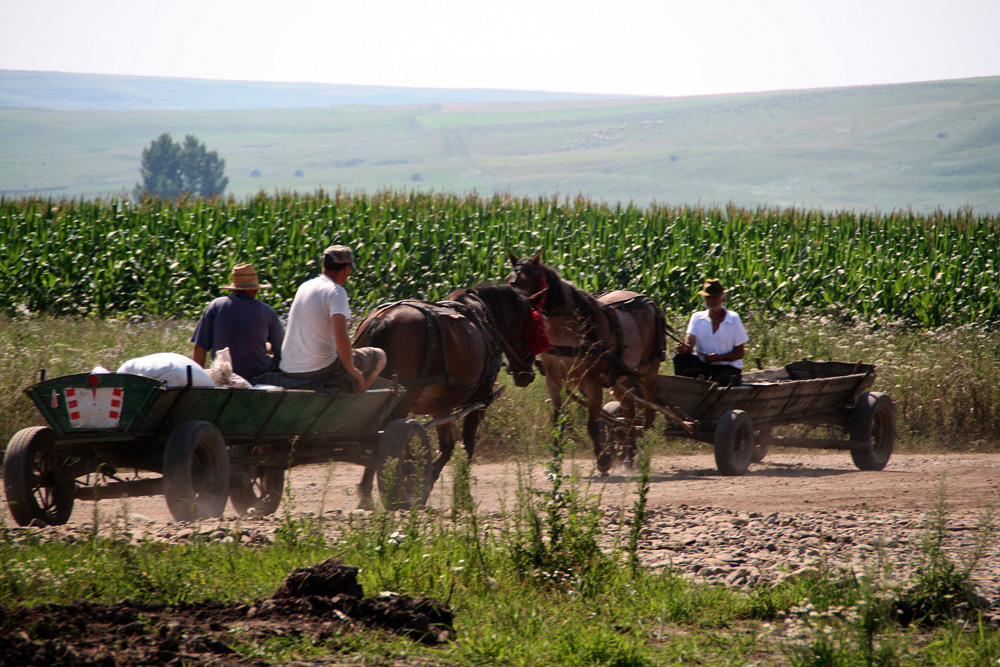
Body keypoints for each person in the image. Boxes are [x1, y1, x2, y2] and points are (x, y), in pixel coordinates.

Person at [278, 245, 386, 392]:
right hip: (318, 367)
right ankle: (357, 397)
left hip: (289, 367)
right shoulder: (336, 291)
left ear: (324, 266)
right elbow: (341, 335)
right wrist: (352, 369)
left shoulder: (305, 286)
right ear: (346, 270)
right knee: (379, 356)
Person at [191, 262, 284, 383]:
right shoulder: (266, 311)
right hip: (259, 374)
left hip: (225, 373)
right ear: (255, 290)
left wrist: (198, 380)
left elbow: (200, 348)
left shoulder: (216, 305)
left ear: (234, 289)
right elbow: (281, 350)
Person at [673, 278, 748, 386]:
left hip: (727, 368)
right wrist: (683, 349)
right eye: (708, 298)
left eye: (715, 297)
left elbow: (739, 353)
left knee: (722, 380)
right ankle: (683, 388)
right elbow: (689, 345)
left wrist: (718, 357)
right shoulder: (697, 317)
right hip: (703, 366)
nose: (711, 301)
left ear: (722, 299)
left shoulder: (733, 319)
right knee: (680, 358)